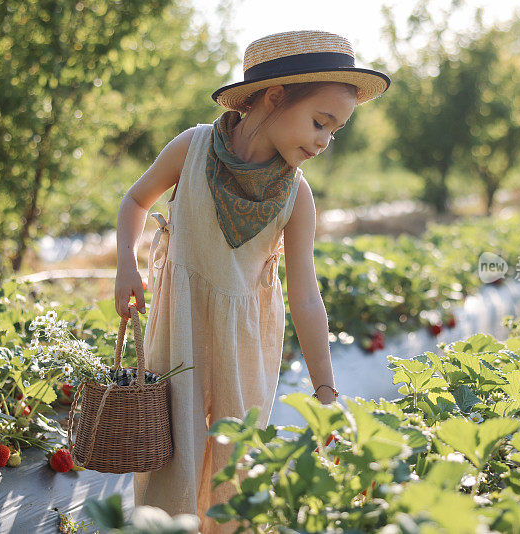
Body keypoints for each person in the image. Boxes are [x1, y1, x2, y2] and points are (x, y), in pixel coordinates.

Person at [113, 29, 390, 533]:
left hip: (244, 353)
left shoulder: (295, 197)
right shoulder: (192, 149)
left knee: (233, 472)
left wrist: (326, 391)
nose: (325, 141)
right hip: (178, 339)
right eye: (320, 122)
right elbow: (136, 200)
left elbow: (306, 297)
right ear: (275, 96)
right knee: (169, 462)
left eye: (335, 131)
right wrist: (127, 265)